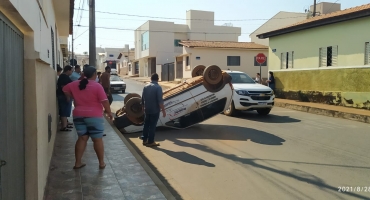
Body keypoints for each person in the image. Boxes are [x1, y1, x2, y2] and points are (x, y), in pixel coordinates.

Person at [63, 66, 113, 170]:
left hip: (78, 115)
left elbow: (65, 89)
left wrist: (73, 97)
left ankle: (77, 163)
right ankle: (101, 163)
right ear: (94, 75)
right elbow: (104, 101)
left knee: (82, 138)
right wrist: (109, 112)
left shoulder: (74, 84)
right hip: (94, 116)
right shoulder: (97, 86)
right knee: (97, 140)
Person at [141, 73, 166, 147]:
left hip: (147, 109)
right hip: (154, 110)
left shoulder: (145, 87)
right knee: (152, 125)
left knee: (146, 125)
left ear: (150, 79)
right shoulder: (158, 87)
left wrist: (143, 107)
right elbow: (160, 101)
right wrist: (163, 111)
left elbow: (142, 98)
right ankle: (150, 141)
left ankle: (144, 140)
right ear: (158, 79)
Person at [57, 65, 73, 131]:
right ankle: (64, 126)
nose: (72, 72)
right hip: (64, 96)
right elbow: (64, 87)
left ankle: (65, 124)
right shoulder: (64, 77)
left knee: (65, 111)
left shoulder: (64, 76)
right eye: (71, 71)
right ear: (68, 70)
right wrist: (67, 96)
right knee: (64, 111)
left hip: (63, 95)